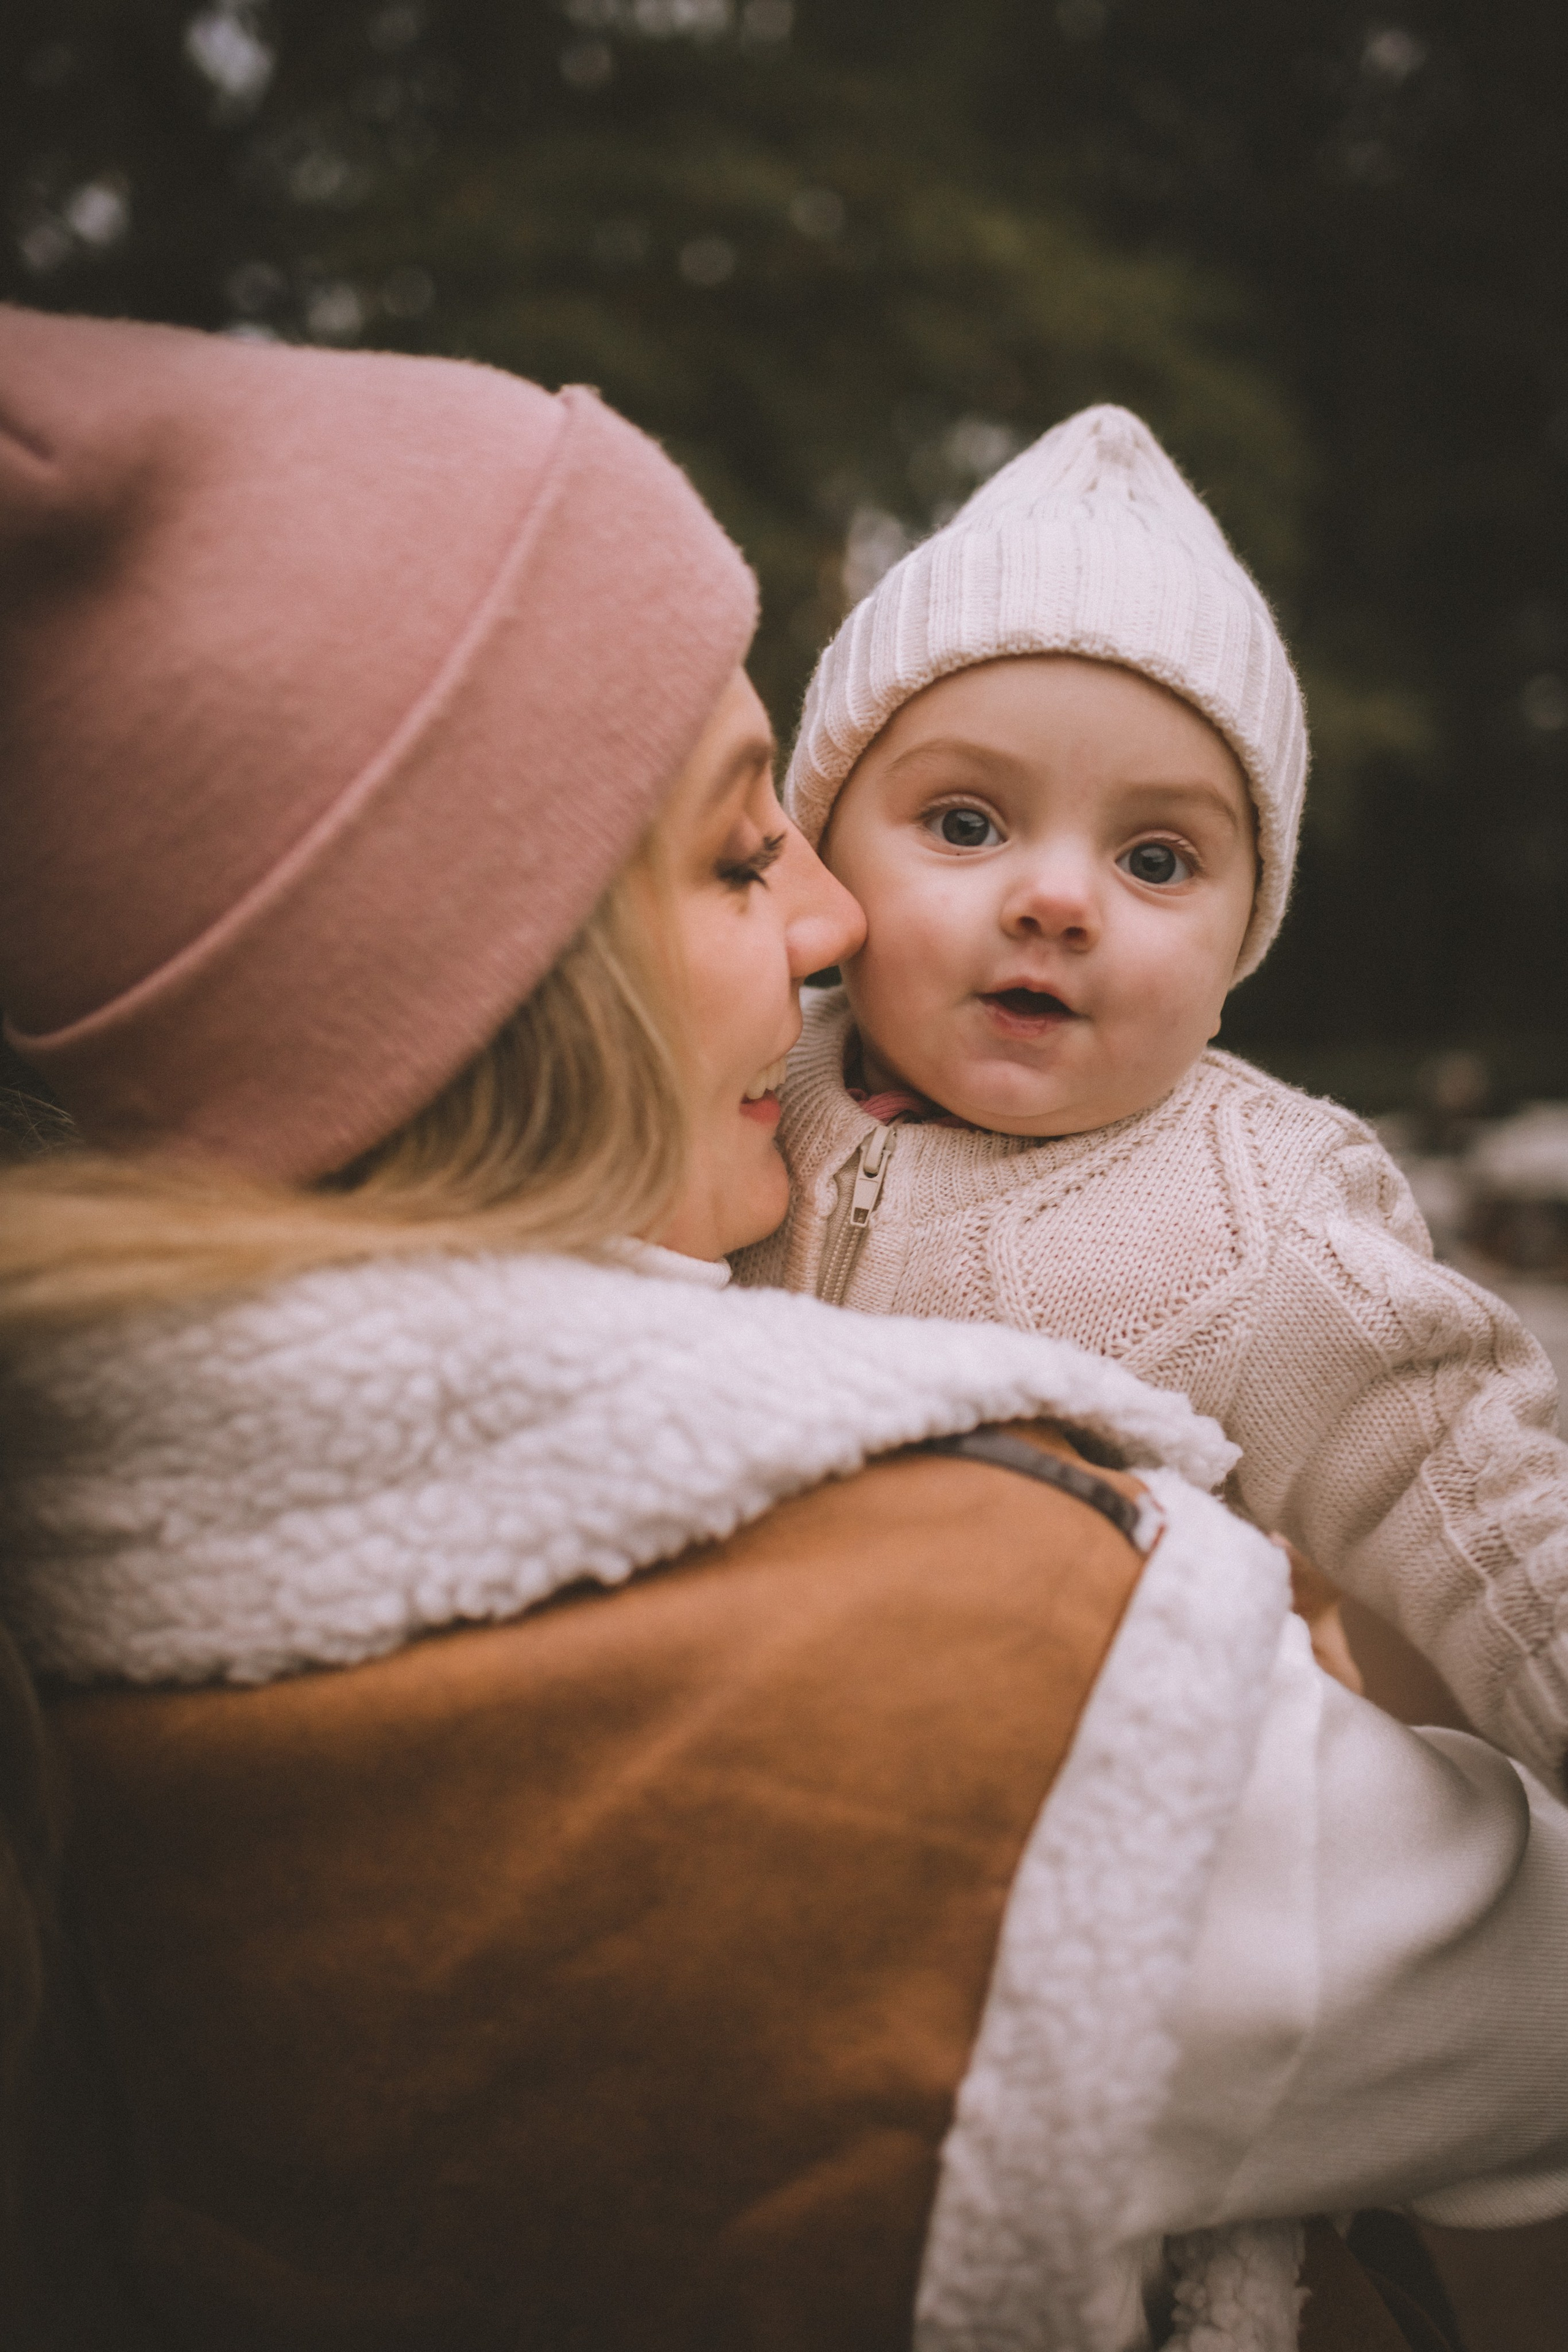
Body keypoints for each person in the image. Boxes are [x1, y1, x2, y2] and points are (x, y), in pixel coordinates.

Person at [0, 307, 1565, 2352]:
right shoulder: (1064, 1690)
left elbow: (1474, 1481)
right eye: (759, 853)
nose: (832, 930)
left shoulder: (99, 1517)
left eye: (1160, 852)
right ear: (491, 979)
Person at [733, 402, 1568, 1800]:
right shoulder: (738, 1073)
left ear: (1244, 941)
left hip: (1108, 1847)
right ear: (823, 854)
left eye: (1158, 859)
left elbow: (1493, 1527)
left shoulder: (1265, 1216)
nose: (1056, 899)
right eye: (963, 823)